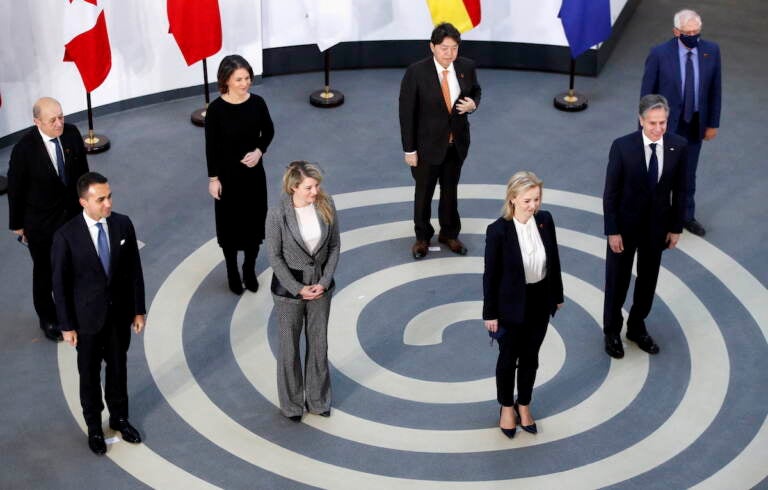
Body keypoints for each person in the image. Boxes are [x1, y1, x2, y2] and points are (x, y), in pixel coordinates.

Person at [51, 172, 146, 455]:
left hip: (118, 318)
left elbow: (134, 272)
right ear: (83, 202)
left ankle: (119, 418)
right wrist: (66, 325)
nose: (108, 203)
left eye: (109, 196)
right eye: (101, 199)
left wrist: (138, 310)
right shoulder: (66, 237)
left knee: (118, 371)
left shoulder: (122, 225)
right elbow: (60, 284)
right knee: (89, 376)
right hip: (87, 322)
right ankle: (94, 428)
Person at [603, 94, 688, 359]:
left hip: (657, 229)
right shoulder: (622, 147)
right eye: (652, 122)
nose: (658, 128)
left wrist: (676, 228)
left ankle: (636, 327)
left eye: (662, 122)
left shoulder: (679, 146)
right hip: (625, 229)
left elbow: (681, 191)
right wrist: (613, 230)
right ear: (641, 120)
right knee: (617, 281)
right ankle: (612, 331)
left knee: (648, 281)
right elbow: (611, 193)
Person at [483, 171, 564, 439]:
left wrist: (557, 295)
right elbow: (490, 275)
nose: (534, 205)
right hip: (510, 306)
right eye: (528, 200)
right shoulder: (497, 231)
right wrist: (490, 313)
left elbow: (554, 259)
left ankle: (524, 404)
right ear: (513, 199)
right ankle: (507, 407)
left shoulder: (545, 220)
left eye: (537, 199)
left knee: (531, 357)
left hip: (540, 300)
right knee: (508, 358)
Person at [7, 97, 89, 341]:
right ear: (37, 122)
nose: (59, 123)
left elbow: (82, 173)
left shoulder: (72, 134)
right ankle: (48, 318)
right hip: (41, 224)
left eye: (61, 116)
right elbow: (16, 189)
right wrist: (17, 225)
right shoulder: (23, 150)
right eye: (52, 120)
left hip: (72, 217)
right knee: (45, 272)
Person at [399, 22, 481, 259]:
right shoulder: (416, 72)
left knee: (450, 192)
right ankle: (422, 238)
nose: (450, 53)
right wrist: (409, 149)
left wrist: (473, 104)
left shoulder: (466, 66)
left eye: (454, 48)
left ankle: (449, 233)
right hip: (425, 148)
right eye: (445, 48)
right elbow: (406, 114)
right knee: (423, 194)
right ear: (432, 47)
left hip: (456, 145)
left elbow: (476, 90)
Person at [265, 161, 340, 422]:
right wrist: (298, 288)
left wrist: (325, 279)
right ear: (294, 186)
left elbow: (333, 247)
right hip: (288, 292)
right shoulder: (277, 214)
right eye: (309, 187)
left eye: (317, 185)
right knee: (289, 349)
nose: (315, 191)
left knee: (319, 346)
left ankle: (318, 402)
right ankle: (292, 405)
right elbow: (274, 258)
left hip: (321, 288)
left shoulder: (326, 205)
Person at [641, 9, 721, 237]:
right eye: (688, 32)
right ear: (676, 32)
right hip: (663, 126)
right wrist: (645, 129)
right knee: (660, 172)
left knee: (688, 173)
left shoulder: (711, 51)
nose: (693, 36)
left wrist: (713, 123)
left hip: (695, 124)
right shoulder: (659, 54)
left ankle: (686, 215)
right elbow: (647, 94)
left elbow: (716, 89)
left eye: (697, 32)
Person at [206, 54, 275, 294]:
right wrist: (213, 179)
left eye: (247, 78)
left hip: (253, 177)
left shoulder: (257, 103)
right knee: (229, 229)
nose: (245, 83)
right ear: (226, 80)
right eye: (239, 79)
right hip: (227, 178)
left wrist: (259, 151)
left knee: (254, 226)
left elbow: (268, 131)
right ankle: (232, 271)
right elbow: (211, 148)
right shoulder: (215, 110)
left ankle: (248, 268)